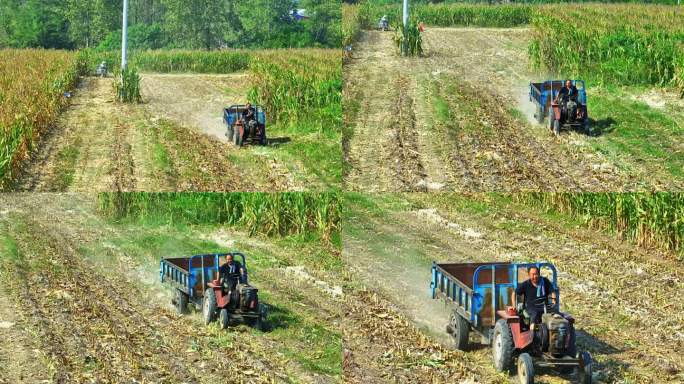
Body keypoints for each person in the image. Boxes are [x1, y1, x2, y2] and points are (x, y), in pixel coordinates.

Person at [512, 266, 556, 331]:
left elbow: (552, 291)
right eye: (532, 274)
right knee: (535, 314)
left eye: (536, 274)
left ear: (539, 274)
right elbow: (514, 293)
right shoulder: (526, 284)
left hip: (544, 306)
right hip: (530, 307)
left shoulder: (545, 281)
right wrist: (514, 305)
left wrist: (554, 301)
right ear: (529, 275)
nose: (535, 276)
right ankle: (532, 334)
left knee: (556, 316)